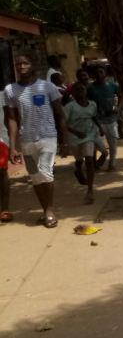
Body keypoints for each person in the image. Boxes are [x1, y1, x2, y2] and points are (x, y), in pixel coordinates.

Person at [4, 53, 68, 228]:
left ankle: (49, 211)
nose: (21, 66)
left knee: (46, 172)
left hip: (48, 137)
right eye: (18, 64)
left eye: (25, 63)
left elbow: (59, 114)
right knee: (35, 177)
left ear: (32, 65)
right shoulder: (10, 90)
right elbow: (12, 119)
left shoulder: (48, 87)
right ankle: (45, 209)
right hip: (26, 141)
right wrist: (12, 146)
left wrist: (65, 140)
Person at [64, 82, 102, 204]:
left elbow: (94, 117)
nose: (81, 92)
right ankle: (78, 170)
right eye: (78, 90)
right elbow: (63, 123)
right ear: (73, 93)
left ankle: (90, 190)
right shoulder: (70, 107)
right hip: (74, 137)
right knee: (79, 159)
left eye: (83, 89)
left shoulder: (92, 104)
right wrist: (75, 132)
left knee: (89, 160)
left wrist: (100, 127)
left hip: (88, 135)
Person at [87, 66, 120, 171]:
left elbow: (121, 95)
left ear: (105, 74)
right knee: (98, 144)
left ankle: (112, 164)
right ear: (93, 75)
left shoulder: (112, 86)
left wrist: (118, 106)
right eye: (97, 73)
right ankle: (98, 159)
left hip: (111, 119)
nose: (99, 75)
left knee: (113, 143)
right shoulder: (90, 88)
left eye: (101, 72)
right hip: (97, 120)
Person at [0, 88, 11, 222]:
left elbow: (10, 117)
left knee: (2, 172)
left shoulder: (2, 95)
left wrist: (13, 143)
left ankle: (5, 209)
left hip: (0, 139)